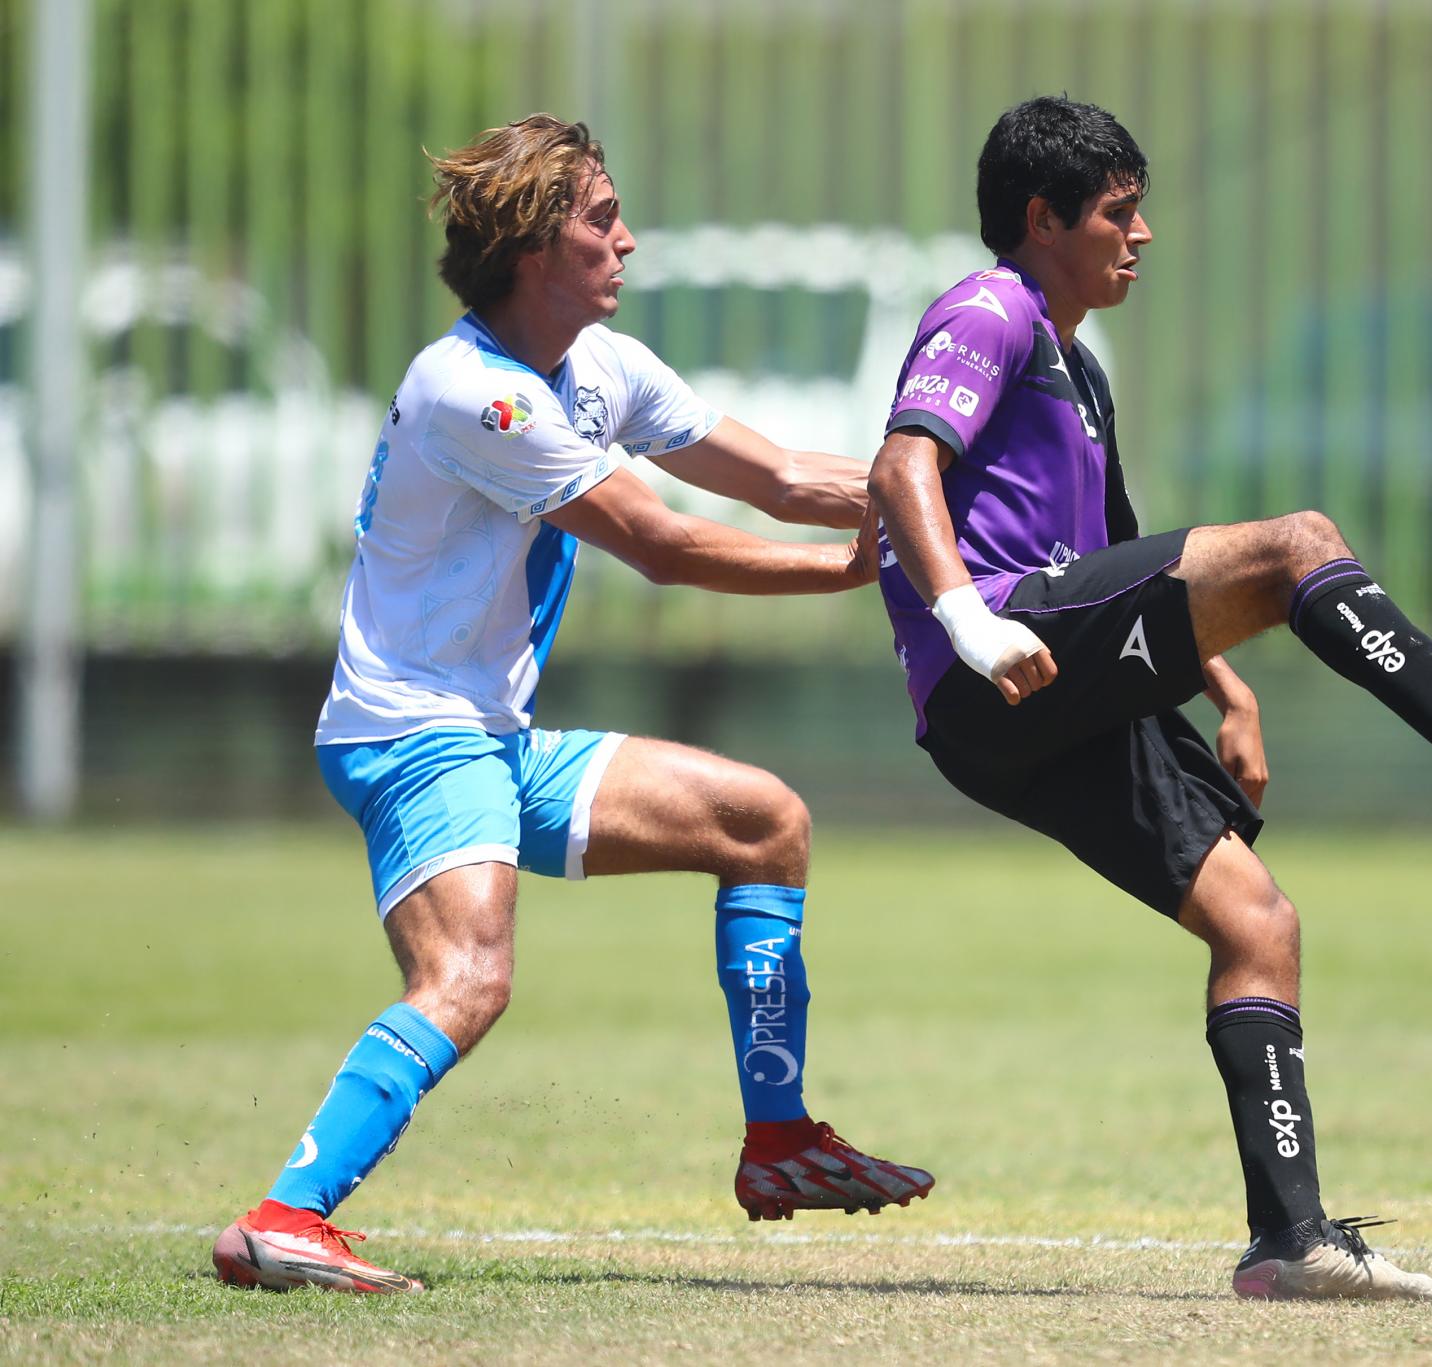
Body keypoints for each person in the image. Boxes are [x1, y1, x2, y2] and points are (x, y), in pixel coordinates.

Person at [866, 95, 1432, 1303]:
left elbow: (1128, 558)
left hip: (1046, 687)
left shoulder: (1077, 364)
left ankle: (1287, 1241)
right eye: (1118, 213)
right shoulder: (988, 310)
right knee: (1297, 544)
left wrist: (1226, 686)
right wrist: (968, 621)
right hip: (998, 654)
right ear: (1043, 219)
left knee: (1258, 925)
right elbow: (899, 466)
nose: (1142, 236)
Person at [210, 115, 931, 1296]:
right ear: (533, 246)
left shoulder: (602, 366)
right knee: (469, 977)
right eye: (601, 218)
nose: (627, 239)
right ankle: (285, 1214)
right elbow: (664, 544)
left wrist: (948, 491)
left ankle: (780, 1141)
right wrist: (854, 569)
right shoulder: (472, 395)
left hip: (494, 736)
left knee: (763, 821)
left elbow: (786, 477)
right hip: (410, 734)